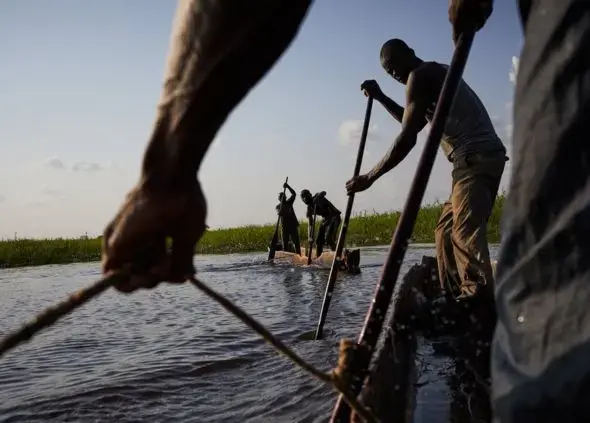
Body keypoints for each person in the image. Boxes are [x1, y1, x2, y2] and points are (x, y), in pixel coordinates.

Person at [450, 1, 590, 422]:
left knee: (553, 219)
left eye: (395, 73)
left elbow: (410, 129)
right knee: (449, 229)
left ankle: (479, 305)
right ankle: (464, 298)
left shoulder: (424, 78)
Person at [346, 38, 507, 304]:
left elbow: (407, 138)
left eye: (395, 64)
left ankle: (477, 300)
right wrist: (382, 96)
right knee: (444, 231)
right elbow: (415, 122)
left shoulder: (421, 76)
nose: (395, 73)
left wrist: (369, 178)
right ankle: (454, 298)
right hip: (475, 161)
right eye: (389, 71)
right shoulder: (429, 77)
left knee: (463, 234)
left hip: (474, 159)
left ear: (410, 52)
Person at [300, 189, 342, 257]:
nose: (304, 198)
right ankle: (318, 258)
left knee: (328, 238)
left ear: (310, 195)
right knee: (318, 241)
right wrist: (310, 237)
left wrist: (320, 195)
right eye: (302, 197)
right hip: (325, 219)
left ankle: (337, 256)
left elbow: (324, 192)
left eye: (305, 196)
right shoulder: (309, 209)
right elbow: (310, 224)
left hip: (334, 216)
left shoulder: (317, 197)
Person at [276, 182, 301, 255]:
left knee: (296, 242)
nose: (283, 197)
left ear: (286, 197)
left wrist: (288, 187)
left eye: (283, 196)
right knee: (285, 244)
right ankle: (286, 256)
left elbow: (294, 194)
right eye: (281, 197)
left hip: (293, 225)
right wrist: (282, 208)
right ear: (279, 199)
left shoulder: (289, 202)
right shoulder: (278, 206)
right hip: (285, 227)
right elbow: (280, 213)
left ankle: (299, 255)